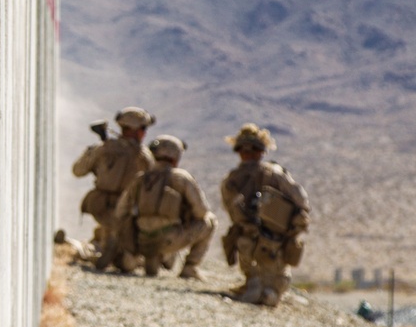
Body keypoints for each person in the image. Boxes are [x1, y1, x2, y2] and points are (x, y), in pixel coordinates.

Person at [220, 124, 309, 306]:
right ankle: (261, 291)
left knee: (264, 287)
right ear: (262, 150)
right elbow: (301, 203)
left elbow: (232, 211)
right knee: (273, 288)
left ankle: (257, 288)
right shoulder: (275, 175)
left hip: (254, 248)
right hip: (273, 249)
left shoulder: (232, 180)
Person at [114, 135, 215, 279]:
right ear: (176, 157)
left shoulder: (140, 178)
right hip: (169, 240)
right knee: (210, 221)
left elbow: (120, 211)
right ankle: (190, 267)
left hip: (141, 239)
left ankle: (145, 257)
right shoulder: (181, 178)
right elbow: (201, 212)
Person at [71, 106, 155, 270]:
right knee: (127, 259)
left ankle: (75, 247)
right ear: (137, 130)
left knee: (105, 240)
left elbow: (78, 170)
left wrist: (96, 155)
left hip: (99, 205)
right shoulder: (144, 156)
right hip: (126, 212)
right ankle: (101, 250)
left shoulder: (103, 148)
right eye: (144, 128)